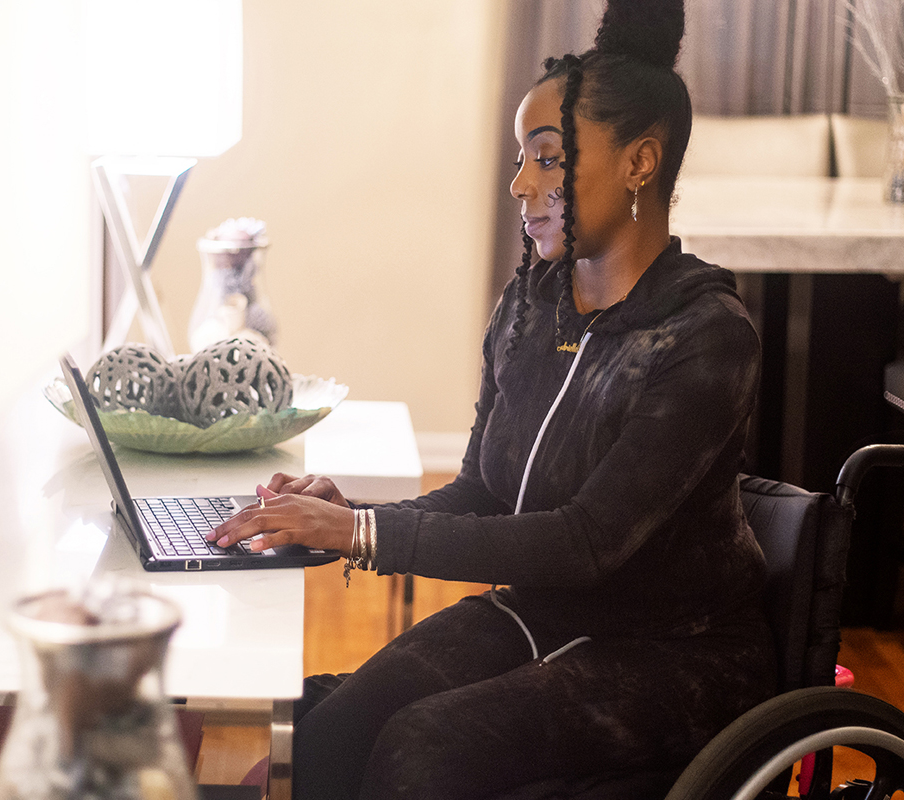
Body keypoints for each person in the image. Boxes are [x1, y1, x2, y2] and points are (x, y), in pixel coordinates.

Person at [209, 0, 776, 796]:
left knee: (422, 749)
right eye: (522, 159)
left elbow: (588, 542)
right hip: (547, 616)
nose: (520, 184)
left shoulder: (706, 337)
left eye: (548, 159)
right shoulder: (528, 308)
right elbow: (482, 491)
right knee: (331, 730)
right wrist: (354, 517)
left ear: (640, 163)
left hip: (679, 653)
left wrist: (363, 533)